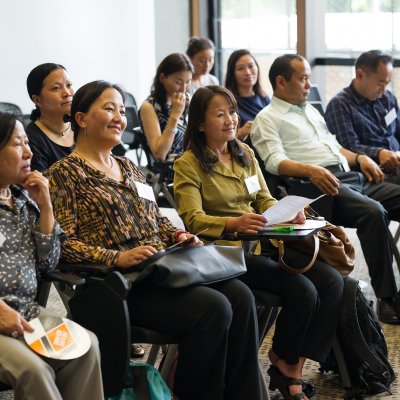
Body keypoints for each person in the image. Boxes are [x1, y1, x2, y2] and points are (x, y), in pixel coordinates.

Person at [45, 80, 264, 400]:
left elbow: (156, 218)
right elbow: (63, 245)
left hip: (163, 269)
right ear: (81, 119)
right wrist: (116, 258)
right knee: (214, 308)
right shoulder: (64, 174)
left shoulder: (129, 167)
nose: (119, 117)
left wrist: (178, 234)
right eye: (108, 109)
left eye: (121, 110)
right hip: (120, 284)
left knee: (241, 296)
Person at [173, 85, 344, 400]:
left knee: (334, 283)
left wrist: (287, 213)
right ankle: (285, 365)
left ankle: (288, 363)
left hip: (266, 245)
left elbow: (263, 197)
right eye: (220, 114)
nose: (230, 120)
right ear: (200, 123)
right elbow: (192, 219)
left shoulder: (244, 152)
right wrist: (231, 224)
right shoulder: (188, 164)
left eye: (233, 112)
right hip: (226, 255)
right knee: (304, 293)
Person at [251, 54, 400, 324]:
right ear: (281, 81)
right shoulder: (267, 118)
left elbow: (333, 146)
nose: (309, 84)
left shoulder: (309, 110)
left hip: (349, 174)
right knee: (374, 212)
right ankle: (388, 299)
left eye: (309, 78)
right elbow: (274, 162)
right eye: (303, 78)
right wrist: (310, 169)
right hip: (319, 185)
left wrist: (361, 157)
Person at [0, 112, 103, 400]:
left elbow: (48, 264)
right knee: (34, 370)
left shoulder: (21, 201)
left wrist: (45, 207)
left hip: (25, 311)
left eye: (27, 142)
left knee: (87, 346)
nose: (28, 151)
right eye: (17, 144)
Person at [325, 50, 400, 184]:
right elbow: (349, 147)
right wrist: (379, 153)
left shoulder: (388, 99)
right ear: (360, 75)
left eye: (387, 83)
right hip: (373, 172)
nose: (384, 91)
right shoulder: (340, 104)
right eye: (380, 83)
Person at [139, 53, 193, 162]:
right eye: (178, 82)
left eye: (188, 82)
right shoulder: (149, 107)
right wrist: (174, 115)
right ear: (162, 78)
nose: (183, 88)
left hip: (190, 164)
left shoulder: (187, 99)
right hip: (168, 171)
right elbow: (160, 155)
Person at [26, 63, 75, 171]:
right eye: (56, 88)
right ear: (37, 100)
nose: (67, 93)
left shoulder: (83, 125)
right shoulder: (31, 140)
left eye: (69, 85)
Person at [225, 49, 270, 142]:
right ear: (232, 73)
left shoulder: (264, 98)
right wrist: (240, 133)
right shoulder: (227, 102)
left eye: (251, 66)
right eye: (241, 68)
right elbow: (218, 139)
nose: (248, 72)